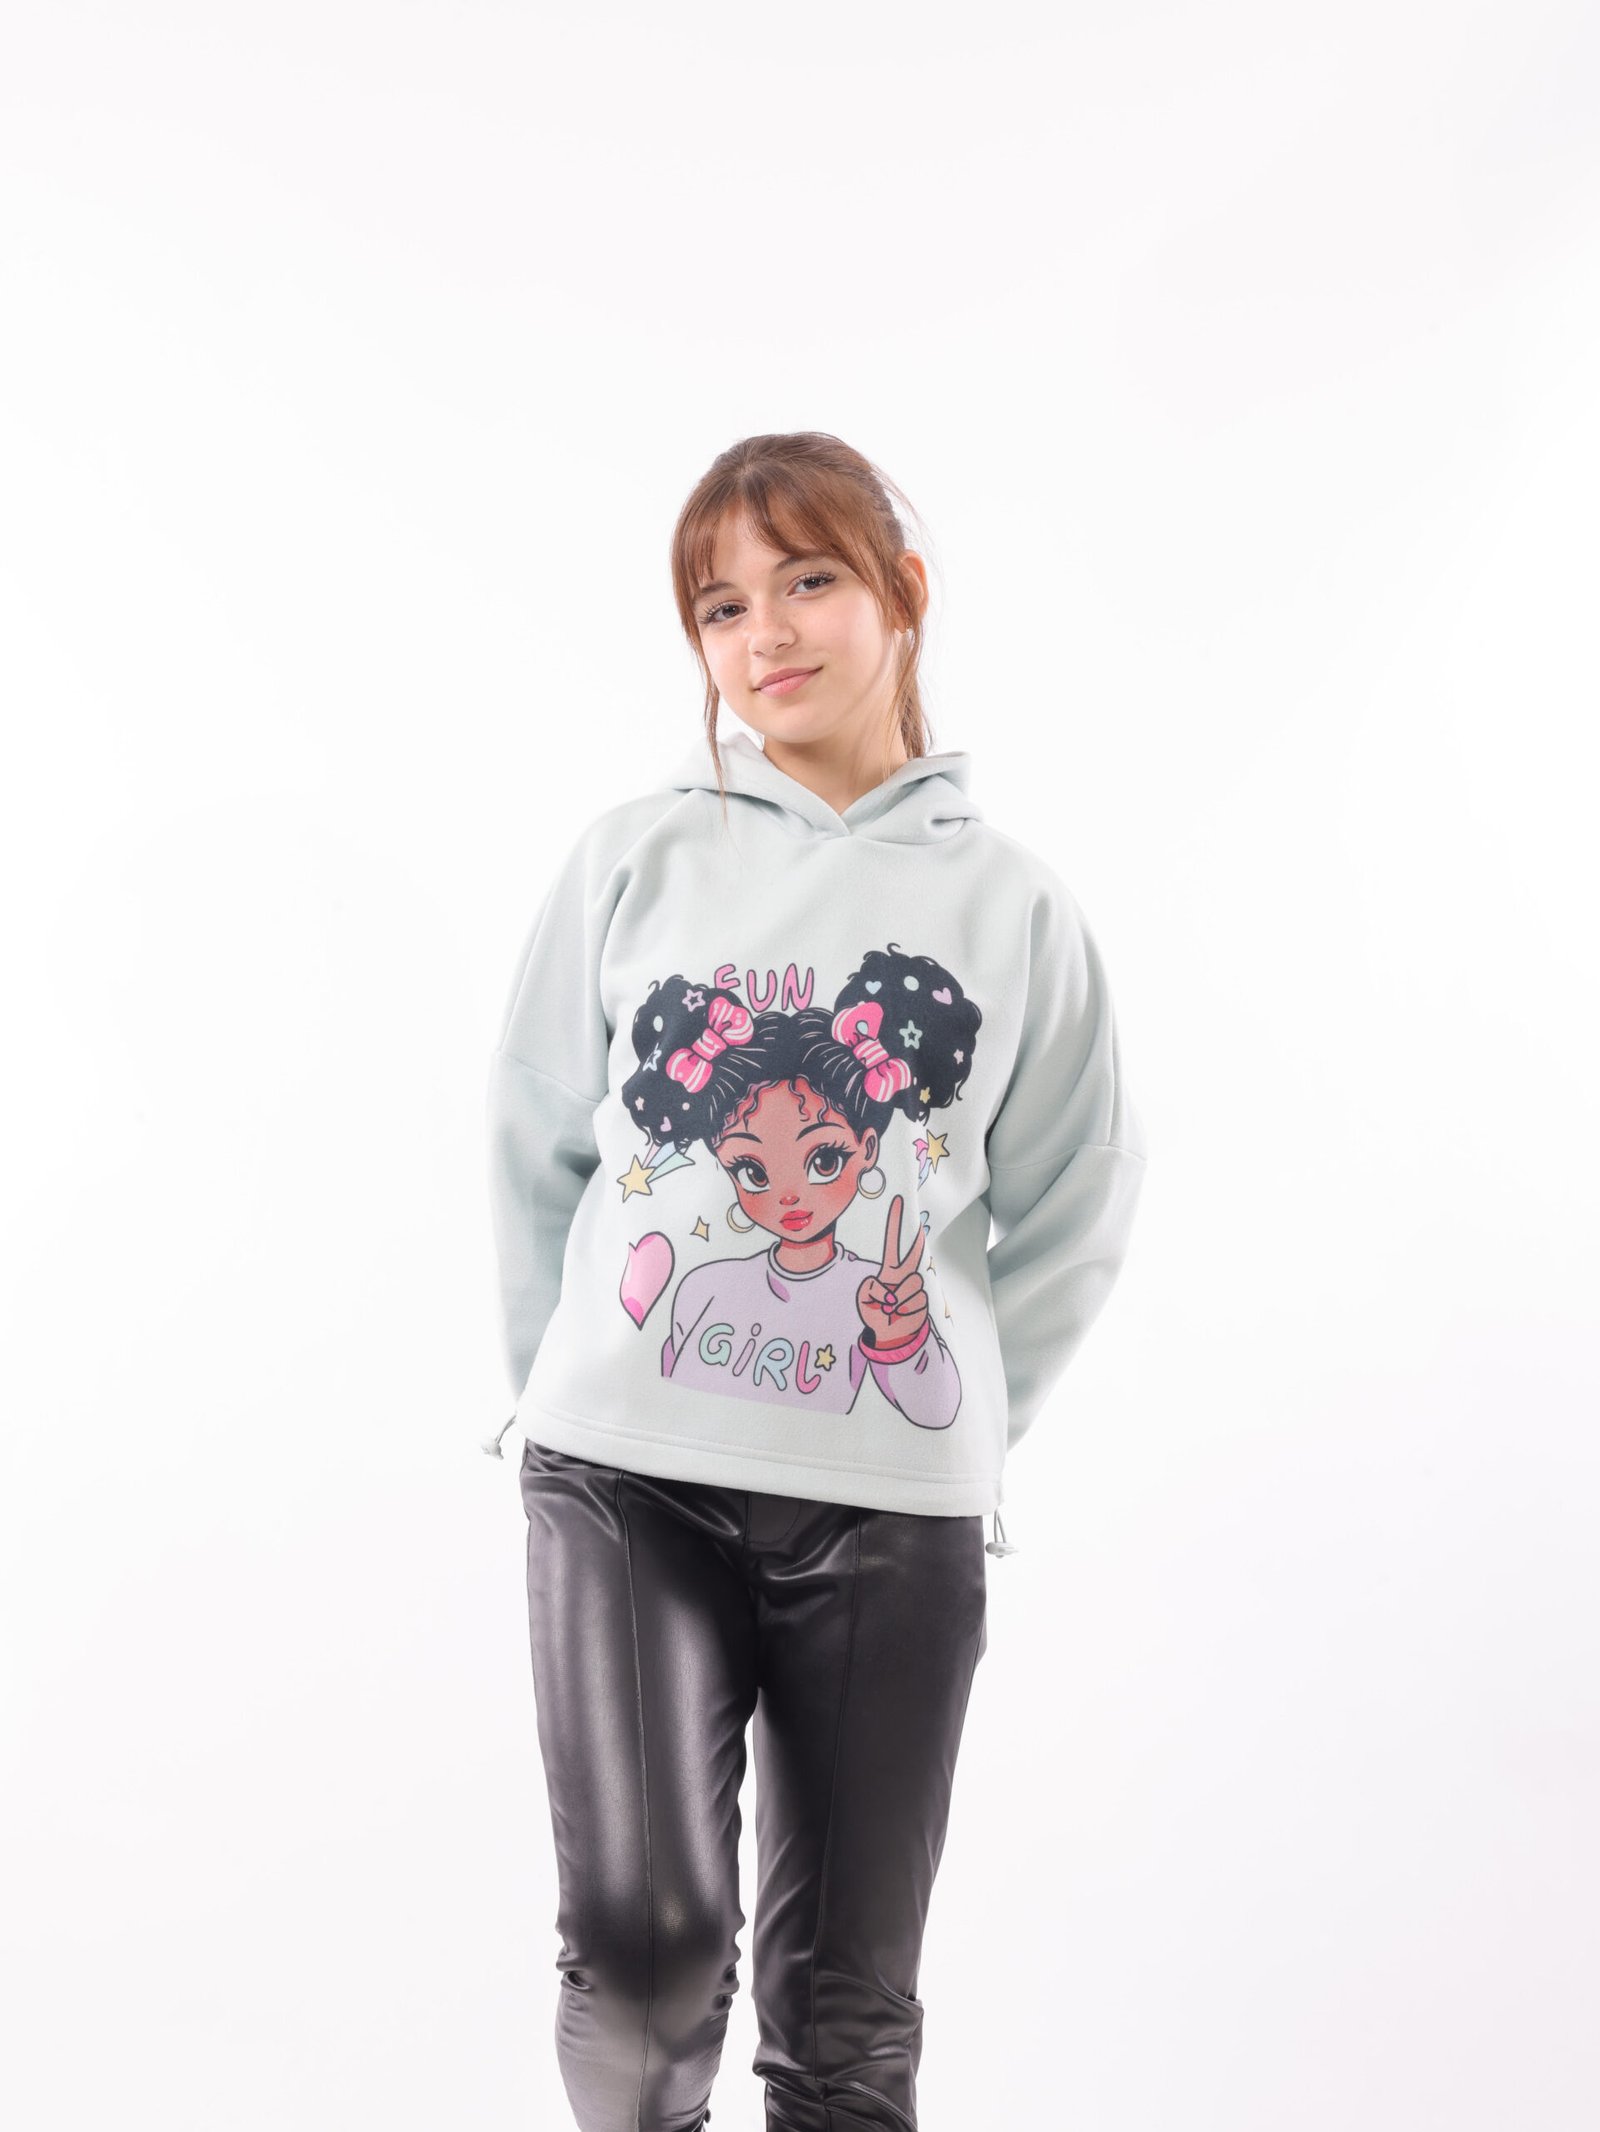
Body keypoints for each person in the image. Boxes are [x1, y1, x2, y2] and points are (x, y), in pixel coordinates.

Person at [482, 431, 1149, 2132]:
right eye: (721, 606)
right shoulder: (636, 858)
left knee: (847, 2018)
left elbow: (1076, 1204)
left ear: (901, 592)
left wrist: (948, 1412)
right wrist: (571, 1384)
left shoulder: (1013, 907)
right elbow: (535, 1139)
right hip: (624, 1484)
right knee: (641, 1947)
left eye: (809, 579)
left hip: (890, 1519)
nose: (764, 632)